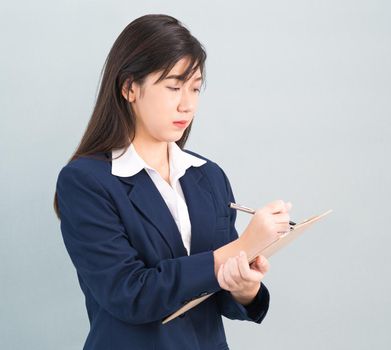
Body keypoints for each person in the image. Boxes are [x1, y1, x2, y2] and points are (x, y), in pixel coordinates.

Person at [53, 14, 292, 350]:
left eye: (194, 88)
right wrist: (241, 247)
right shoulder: (85, 182)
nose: (187, 103)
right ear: (129, 87)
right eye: (174, 87)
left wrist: (243, 287)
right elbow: (131, 293)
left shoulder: (208, 176)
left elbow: (215, 294)